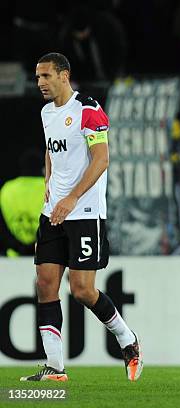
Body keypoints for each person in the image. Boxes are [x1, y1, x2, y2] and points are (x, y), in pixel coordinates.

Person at [21, 52, 142, 382]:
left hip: (85, 213)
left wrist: (73, 197)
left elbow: (101, 159)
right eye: (37, 77)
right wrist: (48, 181)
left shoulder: (87, 109)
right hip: (53, 214)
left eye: (45, 76)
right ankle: (55, 367)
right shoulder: (47, 113)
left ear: (64, 75)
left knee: (83, 290)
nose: (40, 83)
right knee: (45, 285)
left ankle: (128, 341)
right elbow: (51, 149)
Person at [0, 149, 46, 257]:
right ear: (43, 167)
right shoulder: (49, 188)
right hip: (45, 256)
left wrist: (17, 246)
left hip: (13, 255)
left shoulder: (7, 188)